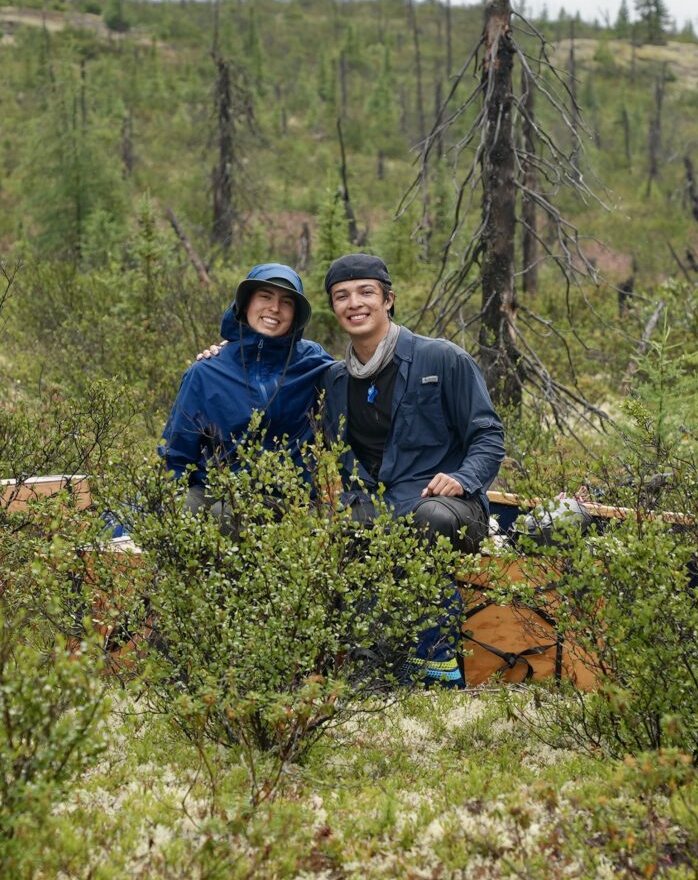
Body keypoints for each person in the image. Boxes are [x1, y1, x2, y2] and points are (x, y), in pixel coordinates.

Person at [318, 252, 505, 687]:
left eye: (366, 292)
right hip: (377, 507)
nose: (354, 303)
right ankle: (370, 665)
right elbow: (280, 358)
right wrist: (224, 346)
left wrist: (461, 478)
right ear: (333, 308)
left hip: (449, 508)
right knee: (342, 527)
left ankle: (434, 665)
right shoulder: (334, 380)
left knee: (428, 519)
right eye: (342, 296)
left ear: (388, 300)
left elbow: (488, 436)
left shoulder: (442, 360)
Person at [159, 263, 337, 520]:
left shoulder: (315, 364)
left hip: (289, 499)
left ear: (296, 315)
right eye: (265, 296)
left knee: (228, 514)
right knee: (181, 509)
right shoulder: (207, 372)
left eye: (286, 302)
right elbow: (175, 455)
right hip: (214, 490)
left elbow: (360, 383)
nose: (274, 308)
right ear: (244, 305)